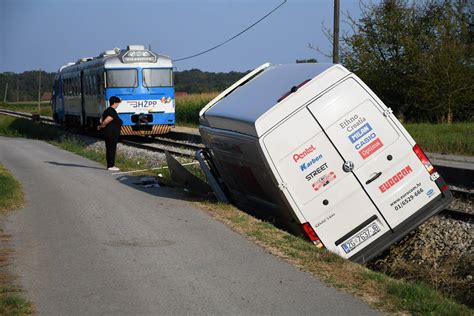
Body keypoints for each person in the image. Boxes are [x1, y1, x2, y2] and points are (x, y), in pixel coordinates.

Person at [98, 96, 123, 171]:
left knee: (109, 148)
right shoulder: (112, 111)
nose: (118, 104)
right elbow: (108, 120)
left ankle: (110, 165)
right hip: (111, 133)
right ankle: (111, 166)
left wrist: (101, 125)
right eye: (117, 103)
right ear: (114, 103)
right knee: (111, 148)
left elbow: (101, 119)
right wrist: (101, 126)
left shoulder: (107, 110)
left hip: (109, 133)